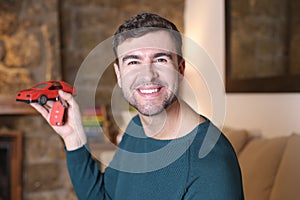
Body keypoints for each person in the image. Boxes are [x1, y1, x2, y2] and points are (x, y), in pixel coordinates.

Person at [31, 12, 244, 200]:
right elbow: (104, 196)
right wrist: (73, 138)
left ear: (180, 69)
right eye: (133, 62)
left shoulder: (210, 164)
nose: (147, 75)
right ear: (119, 74)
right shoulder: (137, 128)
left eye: (160, 59)